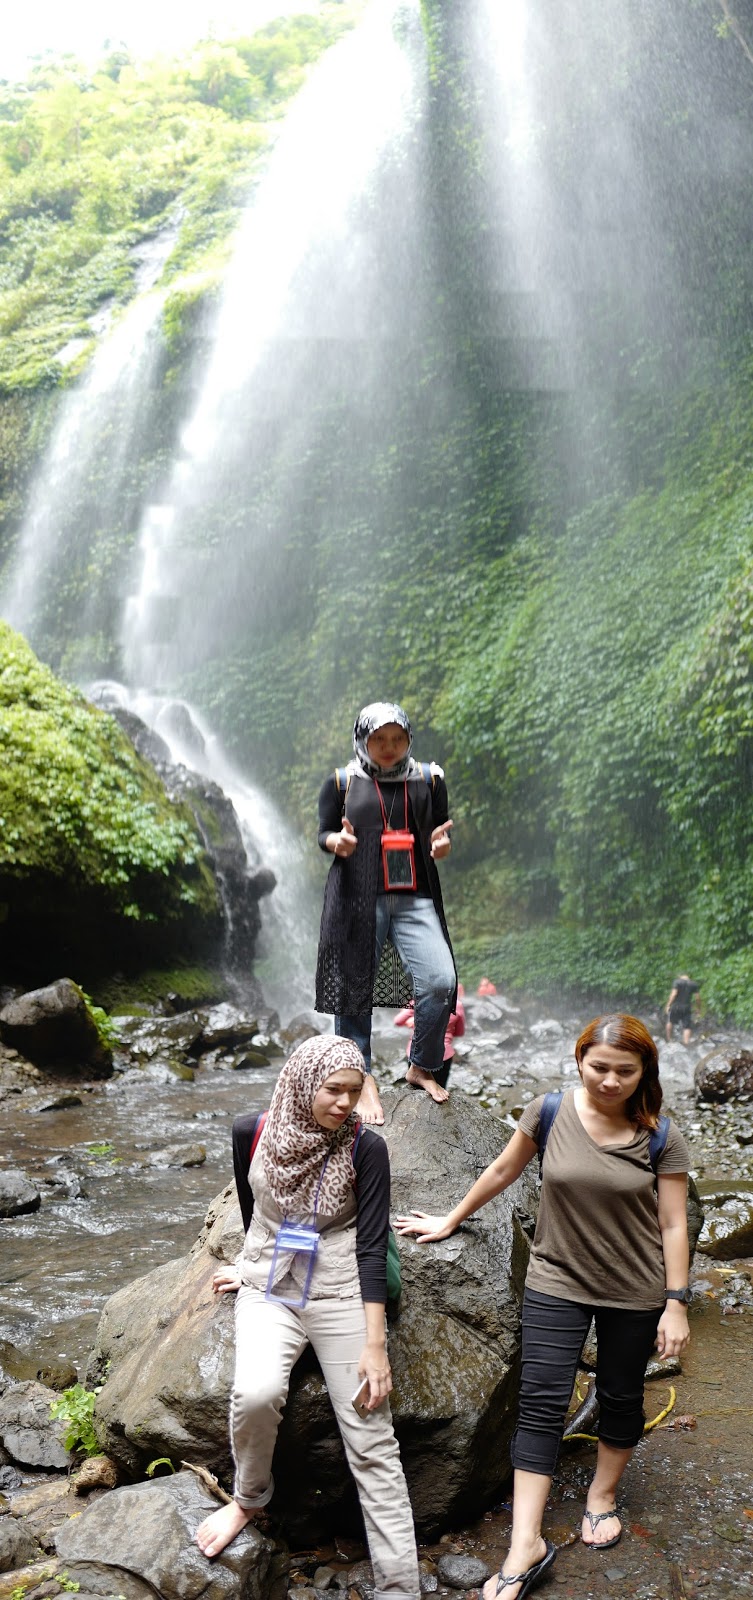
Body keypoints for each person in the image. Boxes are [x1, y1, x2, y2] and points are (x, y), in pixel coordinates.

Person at [396, 1014, 690, 1600]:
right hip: (556, 1279)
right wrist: (451, 1218)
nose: (608, 1081)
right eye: (598, 1067)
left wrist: (676, 1303)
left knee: (621, 1395)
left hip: (635, 1288)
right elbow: (504, 1168)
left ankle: (601, 1496)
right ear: (580, 1060)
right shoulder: (549, 1111)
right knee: (541, 1401)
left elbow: (675, 1223)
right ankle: (524, 1541)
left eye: (623, 1072)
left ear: (644, 1073)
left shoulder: (661, 1136)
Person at [195, 1036, 420, 1600]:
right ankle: (249, 1499)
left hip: (343, 1285)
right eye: (332, 1090)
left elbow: (372, 1246)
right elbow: (257, 1216)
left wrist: (376, 1345)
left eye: (354, 1090)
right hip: (273, 1285)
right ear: (302, 1084)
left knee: (371, 1434)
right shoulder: (253, 1131)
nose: (345, 1103)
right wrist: (249, 1269)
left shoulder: (366, 1150)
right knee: (255, 1393)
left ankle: (400, 1586)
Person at [315, 700, 457, 1125]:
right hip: (360, 897)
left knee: (439, 981)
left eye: (398, 739)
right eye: (379, 740)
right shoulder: (342, 782)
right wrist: (334, 843)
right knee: (355, 984)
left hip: (414, 897)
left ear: (410, 739)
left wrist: (442, 847)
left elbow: (440, 830)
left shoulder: (429, 780)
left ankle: (421, 1064)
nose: (389, 747)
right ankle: (360, 1076)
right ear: (363, 739)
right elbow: (323, 831)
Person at [394, 984, 466, 1091]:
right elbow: (460, 1032)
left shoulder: (419, 1000)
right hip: (443, 1053)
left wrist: (413, 1019)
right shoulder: (456, 1004)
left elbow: (398, 1021)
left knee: (416, 1090)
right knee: (439, 1088)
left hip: (417, 1052)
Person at [664, 973, 700, 1046]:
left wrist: (668, 1005)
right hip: (687, 1007)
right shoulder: (693, 984)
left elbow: (674, 994)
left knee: (670, 1021)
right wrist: (698, 1008)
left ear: (680, 976)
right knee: (687, 1026)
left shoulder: (677, 982)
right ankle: (686, 1043)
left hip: (675, 1006)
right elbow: (697, 998)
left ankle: (669, 1040)